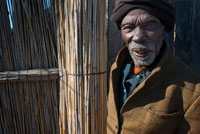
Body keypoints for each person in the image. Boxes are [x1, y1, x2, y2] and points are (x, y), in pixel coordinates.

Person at [107, 0, 200, 134]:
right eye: (128, 27)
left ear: (164, 28)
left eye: (150, 25)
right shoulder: (116, 69)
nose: (138, 37)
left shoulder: (193, 91)